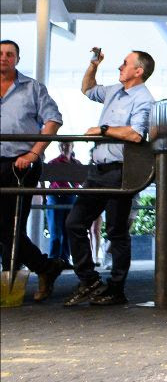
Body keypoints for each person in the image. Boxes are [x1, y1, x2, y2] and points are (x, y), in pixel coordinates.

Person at [63, 48, 155, 307]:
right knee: (74, 223)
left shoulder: (144, 99)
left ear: (138, 71)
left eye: (125, 64)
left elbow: (136, 134)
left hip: (120, 171)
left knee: (116, 230)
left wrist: (103, 130)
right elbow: (88, 89)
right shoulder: (114, 90)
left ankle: (116, 289)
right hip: (98, 170)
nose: (119, 67)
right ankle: (89, 280)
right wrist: (93, 64)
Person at [0, 39, 67, 302]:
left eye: (9, 54)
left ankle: (16, 281)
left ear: (17, 59)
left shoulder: (33, 88)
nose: (4, 58)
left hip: (21, 165)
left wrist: (33, 153)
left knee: (9, 227)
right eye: (0, 54)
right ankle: (47, 268)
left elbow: (53, 120)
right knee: (6, 229)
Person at [45, 141, 81, 263]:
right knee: (55, 230)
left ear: (72, 147)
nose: (64, 147)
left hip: (71, 197)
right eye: (62, 145)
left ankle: (65, 258)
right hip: (56, 196)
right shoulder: (53, 163)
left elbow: (82, 181)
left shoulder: (76, 164)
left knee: (68, 229)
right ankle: (54, 259)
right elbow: (49, 179)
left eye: (67, 144)